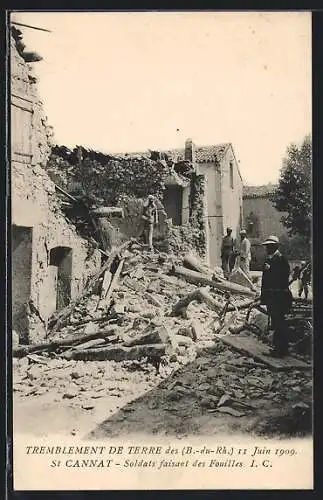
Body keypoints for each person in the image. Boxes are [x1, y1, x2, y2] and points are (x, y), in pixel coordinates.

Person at [260, 235, 293, 357]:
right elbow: (264, 280)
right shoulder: (268, 260)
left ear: (275, 247)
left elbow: (283, 278)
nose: (267, 249)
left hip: (279, 297)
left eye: (269, 246)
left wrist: (271, 269)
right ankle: (278, 348)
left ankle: (282, 350)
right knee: (275, 322)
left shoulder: (281, 259)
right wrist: (263, 297)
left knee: (280, 323)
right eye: (267, 246)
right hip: (271, 297)